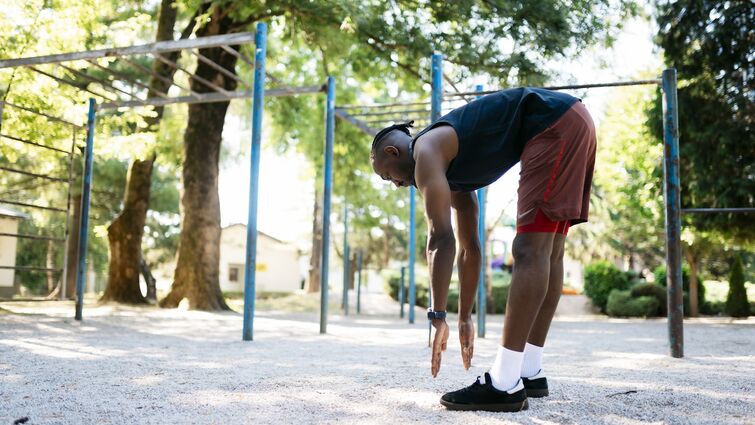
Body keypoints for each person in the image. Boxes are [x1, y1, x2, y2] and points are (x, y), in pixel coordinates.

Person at [370, 87, 596, 412]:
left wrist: (436, 317)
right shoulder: (450, 166)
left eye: (386, 175)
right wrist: (464, 317)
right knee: (549, 250)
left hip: (553, 125)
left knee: (529, 249)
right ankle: (529, 370)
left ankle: (505, 384)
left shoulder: (426, 152)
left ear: (392, 152)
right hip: (574, 120)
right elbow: (469, 249)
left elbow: (439, 239)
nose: (395, 184)